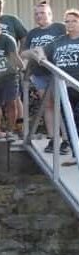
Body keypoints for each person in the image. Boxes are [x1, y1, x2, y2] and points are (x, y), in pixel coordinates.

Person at [23, 1, 66, 154]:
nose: (39, 16)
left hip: (57, 73)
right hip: (40, 74)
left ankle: (66, 140)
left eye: (42, 13)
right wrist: (34, 52)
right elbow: (23, 53)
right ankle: (53, 138)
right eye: (36, 14)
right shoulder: (32, 33)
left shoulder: (60, 28)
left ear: (50, 14)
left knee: (61, 106)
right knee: (47, 106)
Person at [42, 9, 79, 157]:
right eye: (67, 21)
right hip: (64, 88)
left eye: (74, 21)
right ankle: (75, 154)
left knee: (77, 119)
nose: (70, 24)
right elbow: (40, 51)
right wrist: (39, 56)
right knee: (69, 122)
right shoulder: (58, 42)